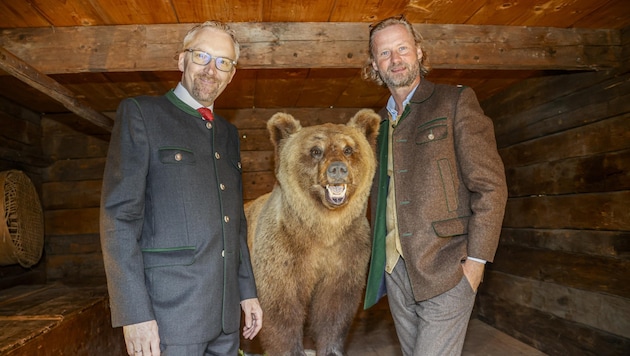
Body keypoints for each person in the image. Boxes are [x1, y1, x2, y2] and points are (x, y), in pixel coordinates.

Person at [100, 21, 262, 356]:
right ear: (181, 60)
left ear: (232, 74)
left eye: (223, 62)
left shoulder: (228, 134)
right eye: (202, 55)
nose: (211, 69)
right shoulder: (142, 114)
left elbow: (235, 223)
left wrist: (247, 291)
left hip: (225, 318)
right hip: (169, 319)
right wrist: (134, 314)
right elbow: (120, 219)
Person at [362, 15, 508, 355]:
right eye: (385, 54)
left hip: (448, 267)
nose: (395, 60)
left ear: (419, 52)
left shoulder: (455, 101)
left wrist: (476, 263)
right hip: (396, 270)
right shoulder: (376, 125)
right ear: (374, 65)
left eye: (402, 48)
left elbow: (490, 186)